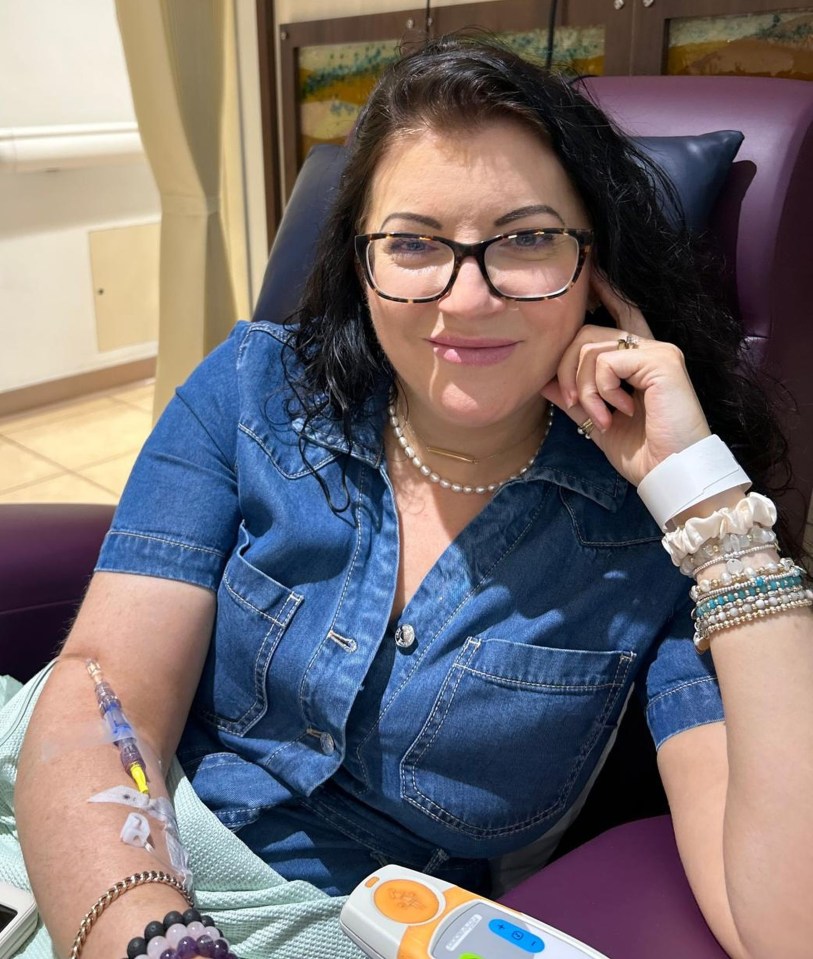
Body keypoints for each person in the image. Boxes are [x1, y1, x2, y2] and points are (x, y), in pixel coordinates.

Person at [15, 33, 813, 959]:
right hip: (115, 848)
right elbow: (100, 693)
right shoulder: (250, 391)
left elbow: (785, 925)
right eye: (412, 244)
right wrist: (150, 938)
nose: (465, 298)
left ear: (597, 266)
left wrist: (707, 505)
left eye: (524, 239)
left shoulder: (654, 529)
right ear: (362, 265)